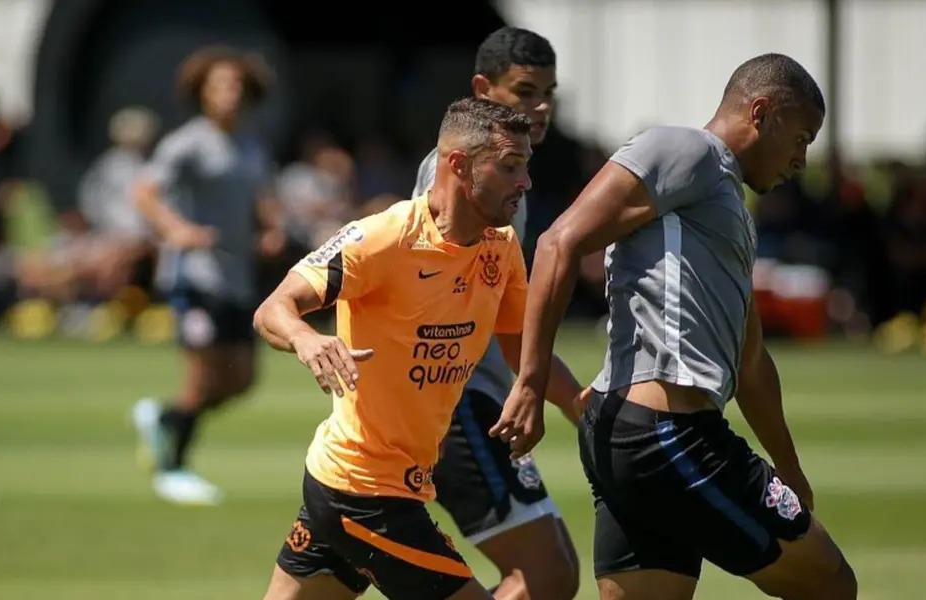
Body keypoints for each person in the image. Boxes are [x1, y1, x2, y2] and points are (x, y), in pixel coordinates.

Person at [493, 53, 858, 600]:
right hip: (668, 434)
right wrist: (529, 382)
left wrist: (789, 469)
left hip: (634, 437)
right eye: (801, 138)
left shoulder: (722, 205)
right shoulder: (688, 150)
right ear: (762, 111)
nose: (801, 161)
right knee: (830, 584)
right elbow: (557, 243)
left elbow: (751, 359)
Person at [254, 97, 583, 600]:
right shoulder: (382, 237)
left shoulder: (502, 246)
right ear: (458, 164)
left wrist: (551, 397)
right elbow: (273, 309)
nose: (526, 183)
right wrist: (306, 338)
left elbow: (519, 345)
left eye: (526, 167)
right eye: (511, 167)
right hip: (363, 491)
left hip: (386, 484)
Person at [410, 27, 579, 600]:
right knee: (546, 573)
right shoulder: (462, 173)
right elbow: (422, 291)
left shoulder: (509, 175)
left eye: (548, 93)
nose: (542, 107)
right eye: (526, 90)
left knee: (552, 570)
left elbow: (507, 320)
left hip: (473, 394)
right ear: (484, 89)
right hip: (452, 400)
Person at [130, 46, 285, 506]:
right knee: (201, 378)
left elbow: (262, 198)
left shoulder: (251, 144)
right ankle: (172, 469)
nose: (229, 94)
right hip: (195, 276)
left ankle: (165, 418)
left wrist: (271, 229)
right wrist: (176, 229)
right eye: (219, 85)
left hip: (236, 276)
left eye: (236, 85)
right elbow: (145, 192)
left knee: (240, 381)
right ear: (201, 93)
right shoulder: (188, 142)